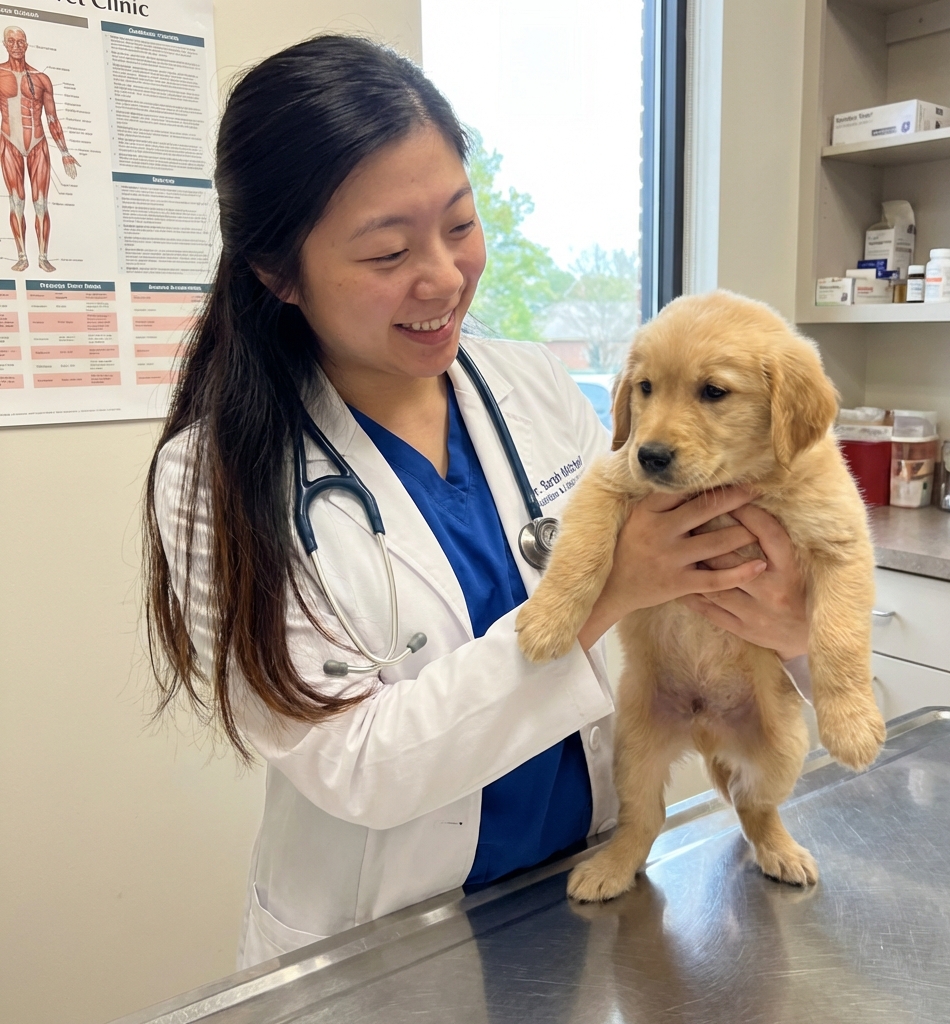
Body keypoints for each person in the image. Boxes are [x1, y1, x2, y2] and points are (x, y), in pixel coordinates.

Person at [144, 35, 811, 970]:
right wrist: (602, 593)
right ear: (277, 274)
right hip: (387, 943)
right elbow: (357, 764)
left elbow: (704, 611)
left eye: (459, 224)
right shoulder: (213, 480)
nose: (446, 278)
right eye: (388, 252)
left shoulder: (533, 389)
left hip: (579, 900)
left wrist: (791, 623)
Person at [0, 26, 79, 272]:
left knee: (41, 203)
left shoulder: (42, 79)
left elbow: (52, 118)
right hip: (9, 142)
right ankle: (22, 255)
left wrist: (65, 152)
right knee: (16, 202)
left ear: (26, 44)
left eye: (20, 41)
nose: (15, 45)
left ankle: (43, 256)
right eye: (11, 41)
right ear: (4, 44)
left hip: (38, 144)